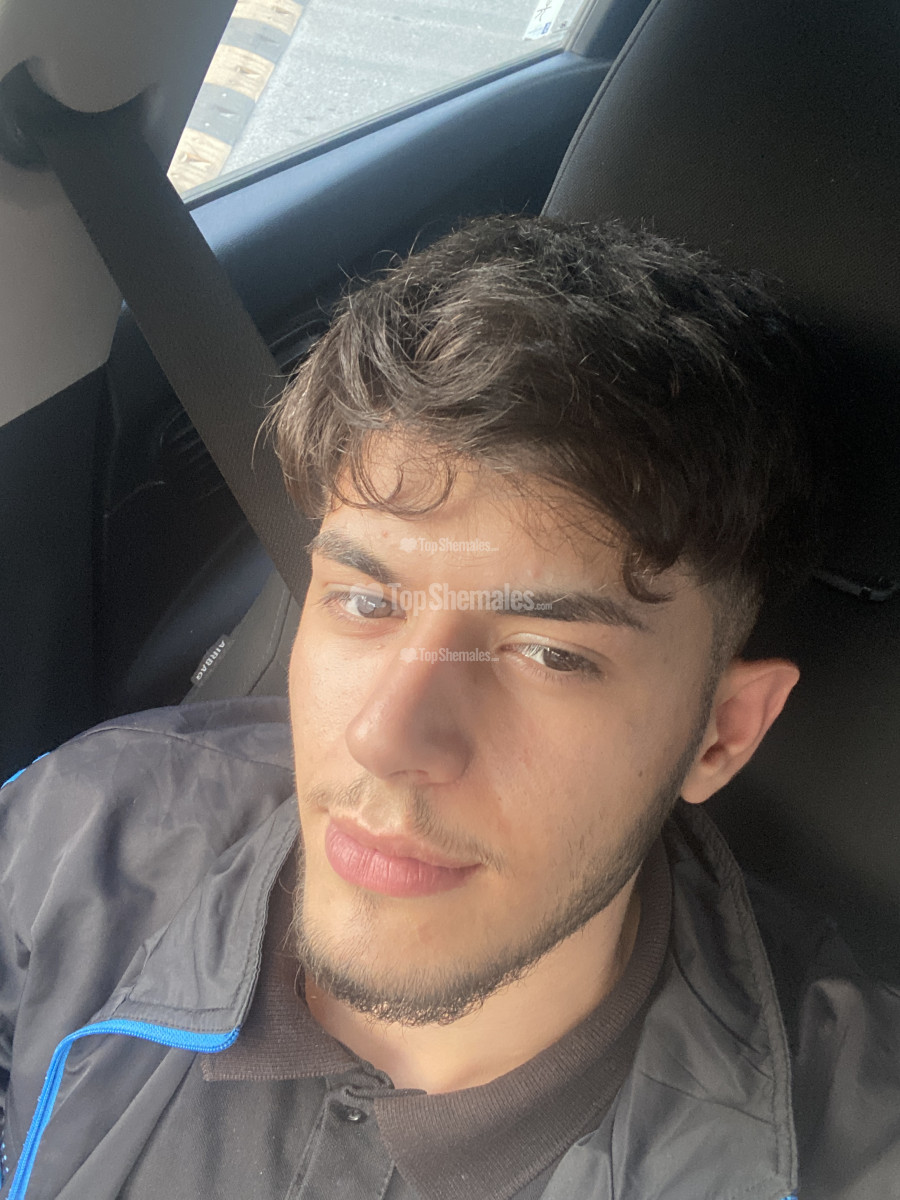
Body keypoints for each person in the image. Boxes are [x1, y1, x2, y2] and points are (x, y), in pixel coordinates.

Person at [0, 215, 897, 1200]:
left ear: (721, 736)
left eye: (551, 653)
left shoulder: (851, 1141)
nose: (383, 738)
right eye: (365, 601)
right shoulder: (76, 833)